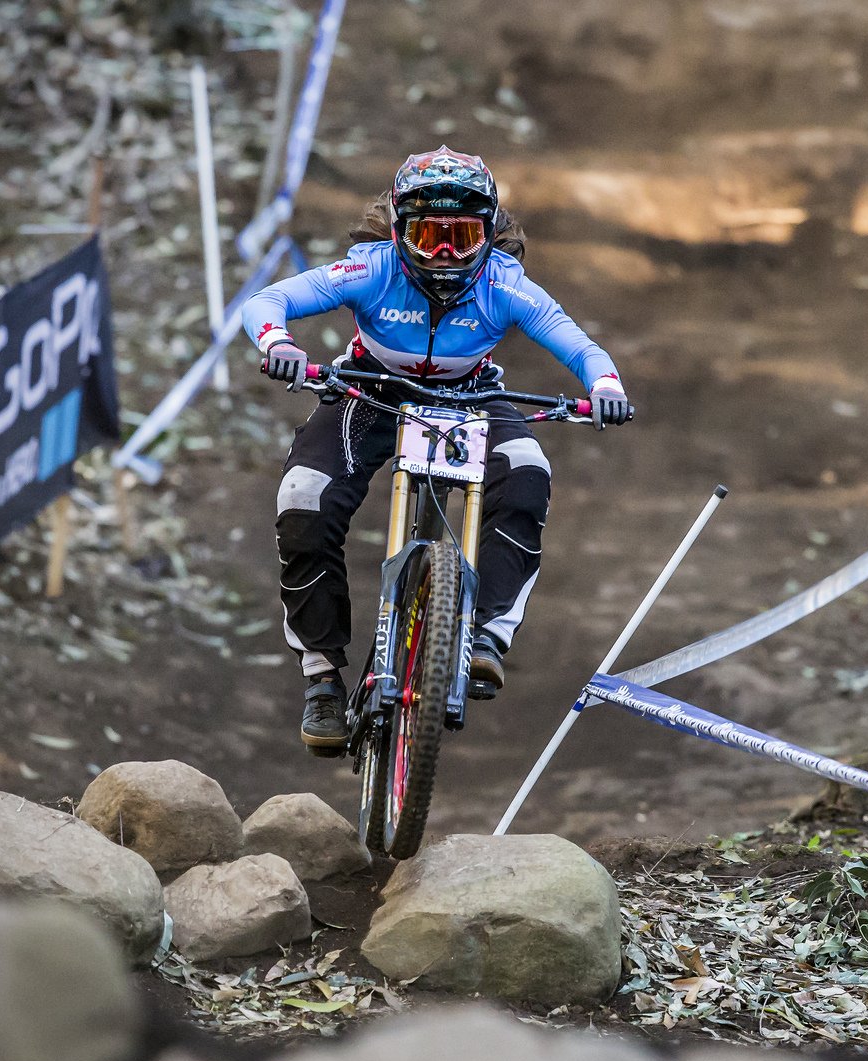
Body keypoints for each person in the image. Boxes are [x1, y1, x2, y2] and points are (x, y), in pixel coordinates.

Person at [243, 146, 634, 755]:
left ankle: (485, 638)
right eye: (429, 235)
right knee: (303, 497)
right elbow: (267, 301)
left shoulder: (505, 285)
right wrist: (278, 342)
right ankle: (321, 674)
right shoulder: (370, 270)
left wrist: (604, 386)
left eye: (463, 236)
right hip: (371, 390)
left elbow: (582, 348)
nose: (446, 253)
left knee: (529, 471)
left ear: (490, 233)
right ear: (399, 231)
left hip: (470, 396)